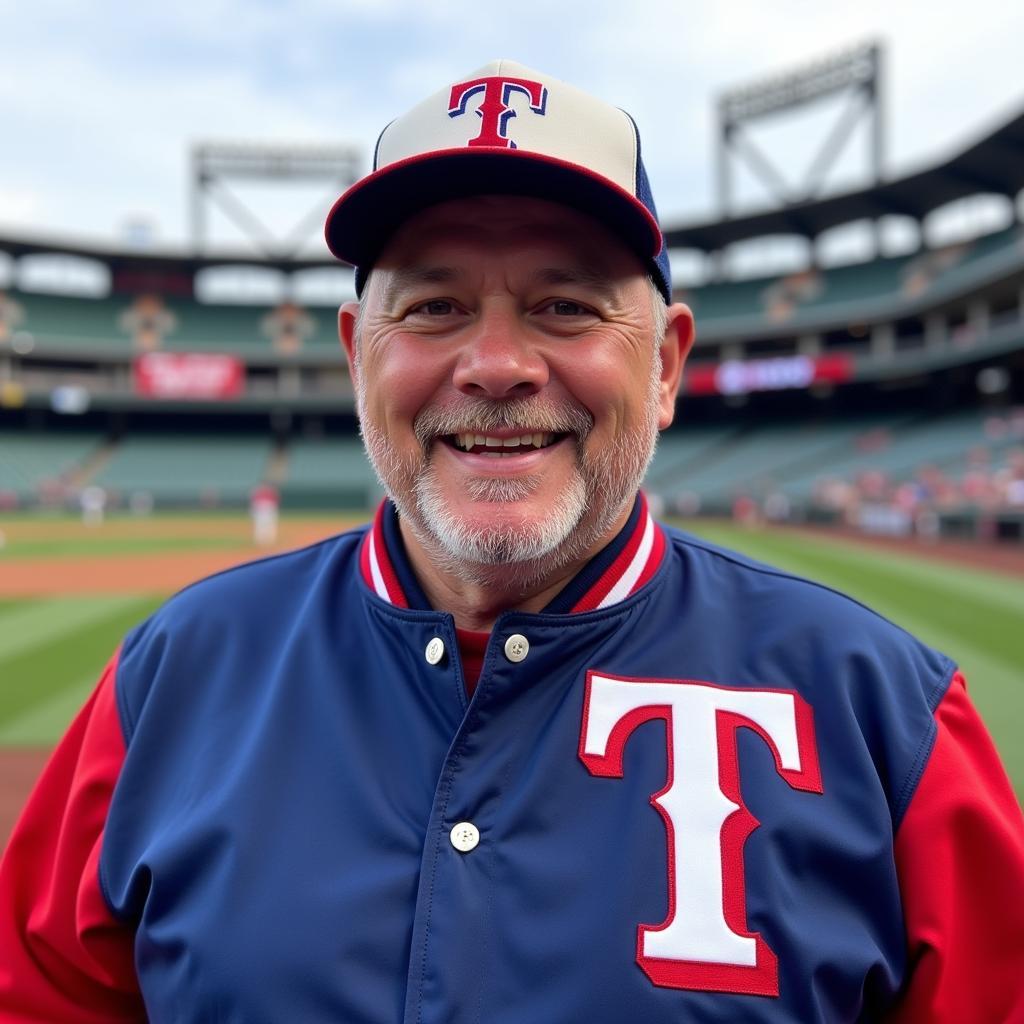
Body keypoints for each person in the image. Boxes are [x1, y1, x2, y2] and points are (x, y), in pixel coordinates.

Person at [1, 59, 1023, 1023]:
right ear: (359, 356)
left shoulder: (885, 710)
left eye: (565, 306)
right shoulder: (172, 673)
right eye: (435, 306)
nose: (495, 364)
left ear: (664, 365)